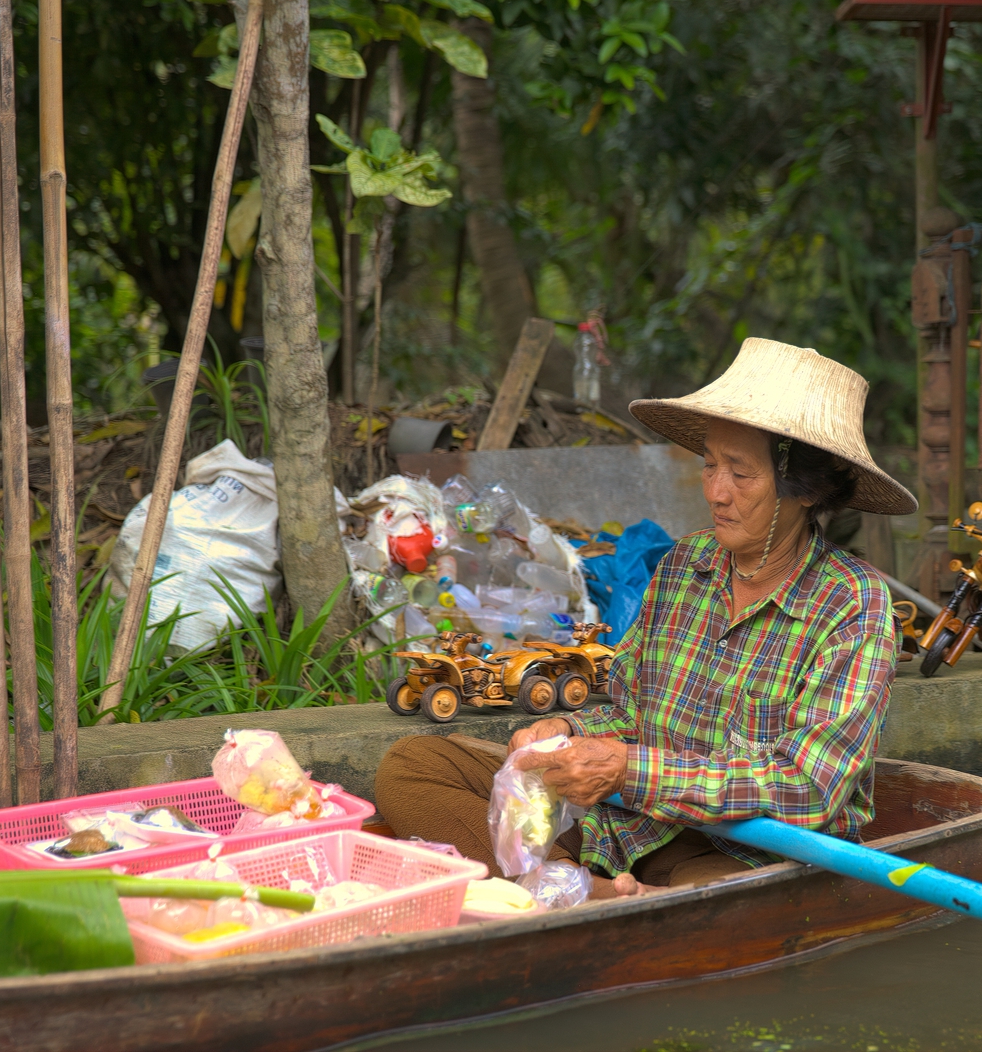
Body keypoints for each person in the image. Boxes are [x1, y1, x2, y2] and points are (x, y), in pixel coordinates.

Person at [374, 338, 918, 896]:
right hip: (624, 829)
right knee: (413, 765)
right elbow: (631, 712)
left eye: (741, 473)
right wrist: (566, 733)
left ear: (805, 490)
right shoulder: (686, 565)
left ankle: (573, 896)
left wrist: (628, 770)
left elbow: (809, 788)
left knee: (713, 902)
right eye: (709, 464)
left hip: (737, 852)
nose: (716, 491)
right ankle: (586, 893)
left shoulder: (853, 603)